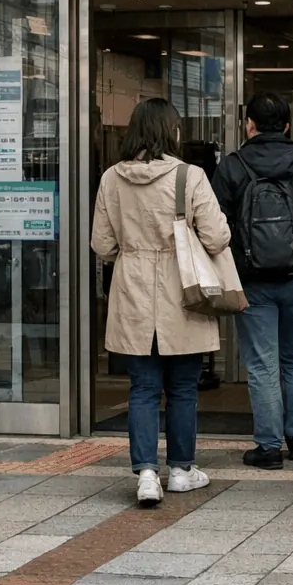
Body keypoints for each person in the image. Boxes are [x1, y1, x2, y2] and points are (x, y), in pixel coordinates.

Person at [91, 98, 231, 507]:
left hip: (132, 290)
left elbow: (102, 244)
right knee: (183, 387)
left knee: (143, 388)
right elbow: (217, 237)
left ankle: (147, 475)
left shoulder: (111, 178)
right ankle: (182, 470)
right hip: (182, 291)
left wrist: (134, 251)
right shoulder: (190, 176)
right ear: (173, 131)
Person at [212, 91, 293, 470]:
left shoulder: (232, 167)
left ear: (249, 125)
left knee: (262, 363)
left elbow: (216, 225)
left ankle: (268, 446)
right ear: (288, 126)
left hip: (252, 281)